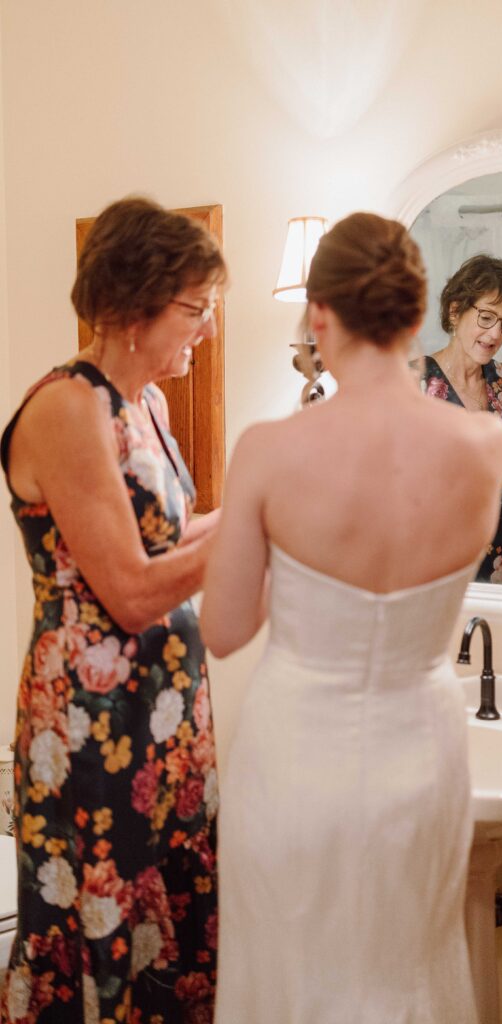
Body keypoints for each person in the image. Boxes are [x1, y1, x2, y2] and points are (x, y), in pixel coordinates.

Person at [201, 212, 502, 1023]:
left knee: (290, 969)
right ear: (417, 316)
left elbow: (224, 630)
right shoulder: (483, 445)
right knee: (407, 963)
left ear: (319, 314)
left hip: (297, 749)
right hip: (421, 746)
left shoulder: (269, 449)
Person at [0, 197, 226, 1023]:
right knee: (101, 925)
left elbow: (168, 538)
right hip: (91, 729)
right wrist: (259, 526)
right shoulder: (67, 407)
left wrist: (259, 501)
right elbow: (129, 593)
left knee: (171, 922)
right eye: (194, 309)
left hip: (165, 715)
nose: (206, 328)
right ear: (134, 309)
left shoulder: (146, 406)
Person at [420, 254, 502, 584]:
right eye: (486, 318)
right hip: (439, 548)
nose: (495, 334)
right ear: (455, 311)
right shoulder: (413, 381)